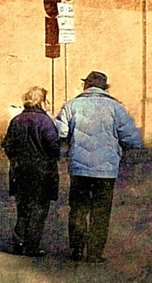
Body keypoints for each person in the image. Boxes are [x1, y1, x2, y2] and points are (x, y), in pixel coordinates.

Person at [54, 70, 143, 263]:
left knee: (78, 208)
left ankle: (77, 249)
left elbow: (60, 131)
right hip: (107, 170)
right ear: (105, 87)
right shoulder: (116, 108)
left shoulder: (72, 105)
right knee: (101, 211)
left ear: (86, 85)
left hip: (79, 168)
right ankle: (94, 252)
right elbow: (133, 138)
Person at [2, 86, 60, 255]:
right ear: (41, 101)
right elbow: (53, 146)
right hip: (42, 172)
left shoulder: (17, 120)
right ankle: (32, 246)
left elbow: (8, 145)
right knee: (39, 208)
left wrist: (16, 159)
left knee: (23, 207)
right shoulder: (45, 121)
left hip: (19, 170)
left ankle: (19, 242)